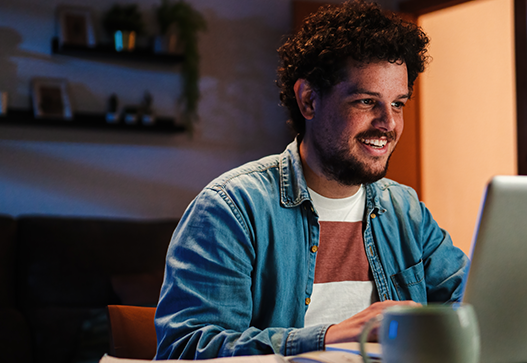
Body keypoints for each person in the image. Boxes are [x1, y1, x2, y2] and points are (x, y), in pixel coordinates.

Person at [154, 0, 469, 359]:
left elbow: (473, 302)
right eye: (367, 102)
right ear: (308, 100)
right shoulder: (231, 209)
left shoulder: (405, 210)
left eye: (398, 104)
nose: (388, 124)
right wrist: (330, 335)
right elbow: (185, 349)